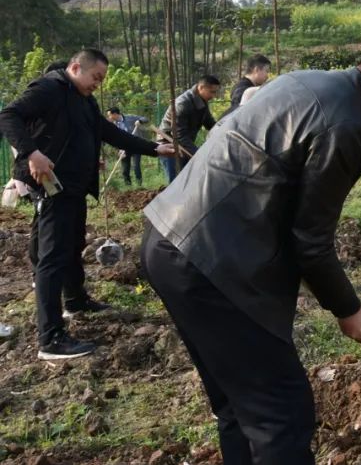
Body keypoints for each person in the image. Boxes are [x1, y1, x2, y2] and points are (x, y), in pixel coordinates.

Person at [142, 41, 361, 465]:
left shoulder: (305, 81)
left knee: (240, 406)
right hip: (214, 264)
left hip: (168, 240)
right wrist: (348, 308)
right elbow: (310, 240)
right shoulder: (348, 125)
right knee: (281, 415)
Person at [0, 48, 174, 360]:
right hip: (53, 185)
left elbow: (107, 132)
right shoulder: (49, 88)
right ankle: (50, 339)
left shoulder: (84, 100)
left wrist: (153, 149)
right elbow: (8, 115)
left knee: (73, 245)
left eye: (101, 79)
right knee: (52, 257)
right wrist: (32, 153)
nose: (98, 83)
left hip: (75, 187)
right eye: (96, 77)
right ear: (76, 68)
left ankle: (75, 300)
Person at [159, 75, 220, 181]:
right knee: (176, 182)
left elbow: (209, 123)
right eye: (212, 92)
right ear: (201, 87)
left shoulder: (202, 101)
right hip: (169, 145)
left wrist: (222, 130)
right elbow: (179, 135)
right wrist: (197, 153)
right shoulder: (182, 104)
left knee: (188, 180)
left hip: (185, 145)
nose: (214, 96)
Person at [106, 107, 150, 185]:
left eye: (109, 115)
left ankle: (139, 185)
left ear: (115, 114)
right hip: (124, 148)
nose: (109, 117)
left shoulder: (130, 118)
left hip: (136, 146)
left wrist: (139, 121)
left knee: (136, 166)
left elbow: (146, 119)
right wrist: (119, 149)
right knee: (125, 169)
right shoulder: (113, 125)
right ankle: (128, 186)